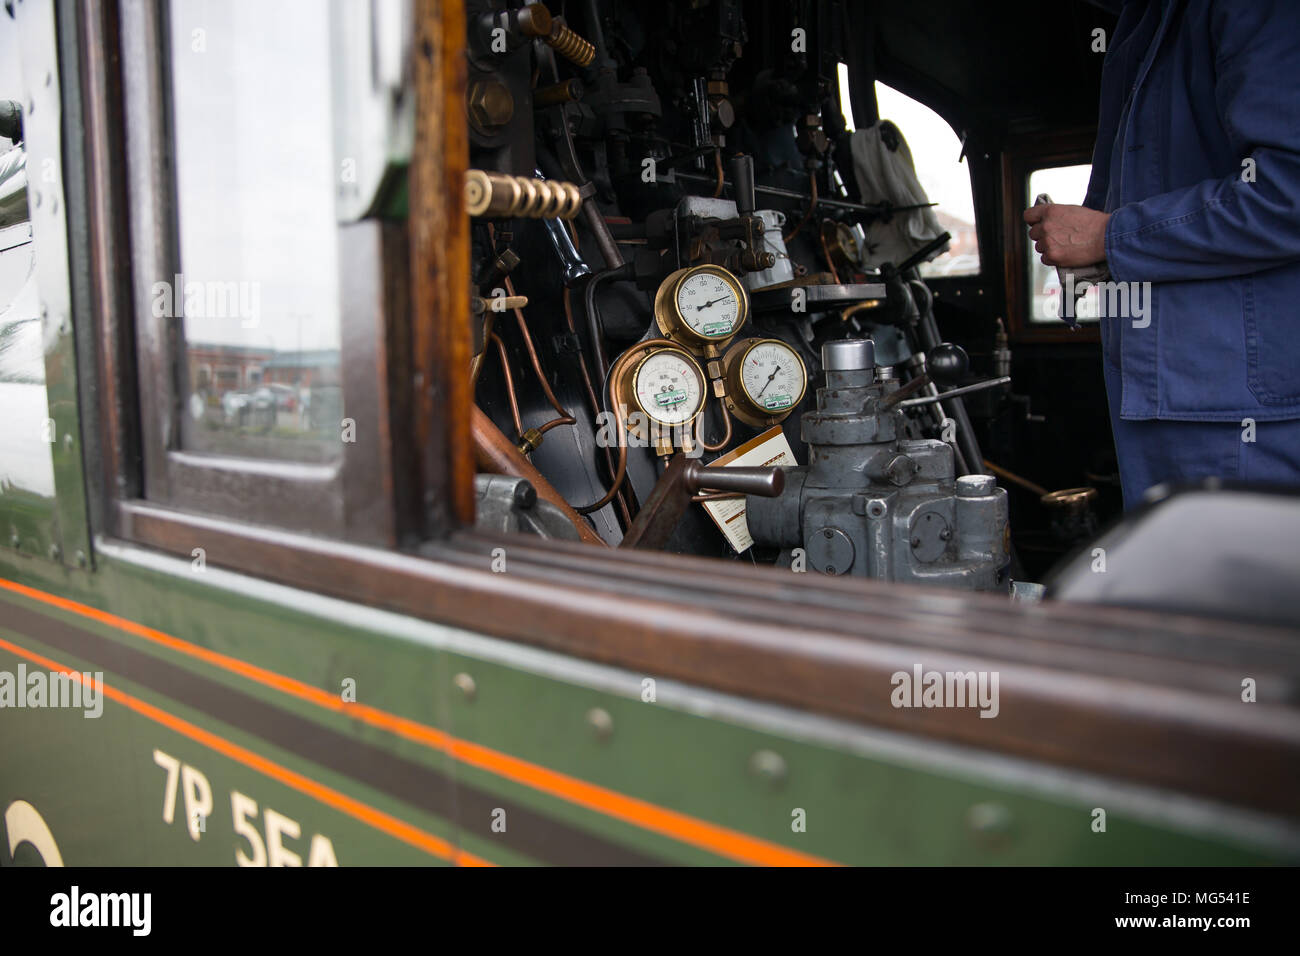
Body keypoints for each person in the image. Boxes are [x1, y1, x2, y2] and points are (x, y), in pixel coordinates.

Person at [1023, 0, 1300, 508]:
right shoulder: (1142, 23)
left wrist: (1111, 238)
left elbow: (1290, 191)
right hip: (1163, 395)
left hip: (1235, 411)